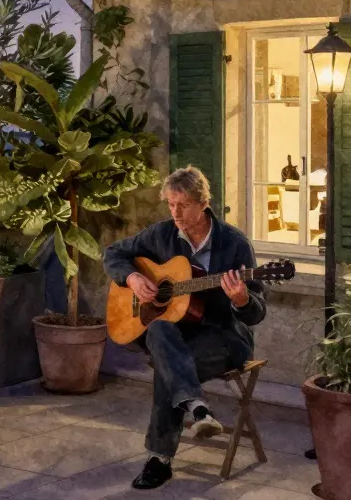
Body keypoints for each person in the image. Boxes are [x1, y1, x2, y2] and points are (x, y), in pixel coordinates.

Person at [104, 166, 267, 491]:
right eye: (171, 204)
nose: (175, 212)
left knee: (169, 365)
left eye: (183, 205)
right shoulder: (162, 235)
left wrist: (240, 299)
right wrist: (133, 278)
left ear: (203, 202)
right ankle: (197, 407)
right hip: (178, 335)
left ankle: (159, 460)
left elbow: (256, 313)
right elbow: (113, 253)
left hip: (225, 337)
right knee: (160, 332)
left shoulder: (234, 245)